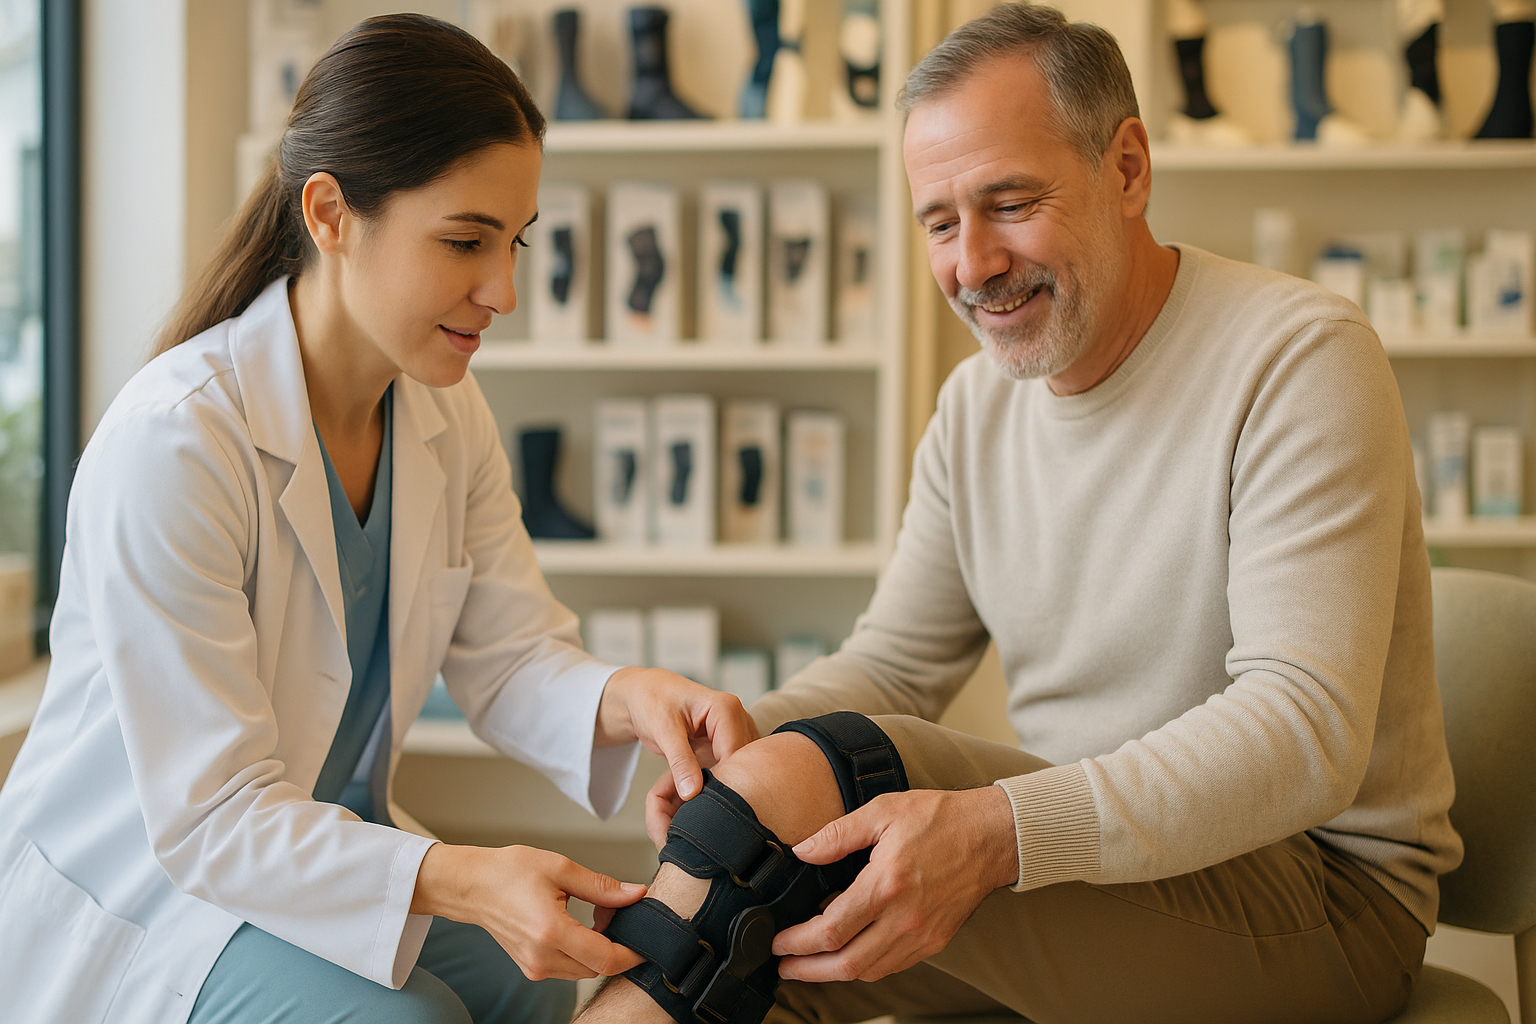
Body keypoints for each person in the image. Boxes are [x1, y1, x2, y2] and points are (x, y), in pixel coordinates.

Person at [576, 7, 1461, 1024]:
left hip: (1322, 905)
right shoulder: (975, 406)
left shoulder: (1299, 357)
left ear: (1127, 168)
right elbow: (897, 664)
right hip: (1089, 877)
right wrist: (750, 737)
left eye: (1010, 203)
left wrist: (998, 831)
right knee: (746, 950)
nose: (975, 263)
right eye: (941, 222)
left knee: (829, 787)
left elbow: (1305, 731)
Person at [0, 15, 756, 1024]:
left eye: (517, 240)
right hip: (160, 894)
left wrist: (634, 697)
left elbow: (511, 656)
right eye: (465, 240)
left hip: (320, 854)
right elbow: (215, 819)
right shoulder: (176, 442)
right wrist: (467, 877)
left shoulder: (442, 411)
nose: (506, 290)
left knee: (553, 1004)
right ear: (330, 214)